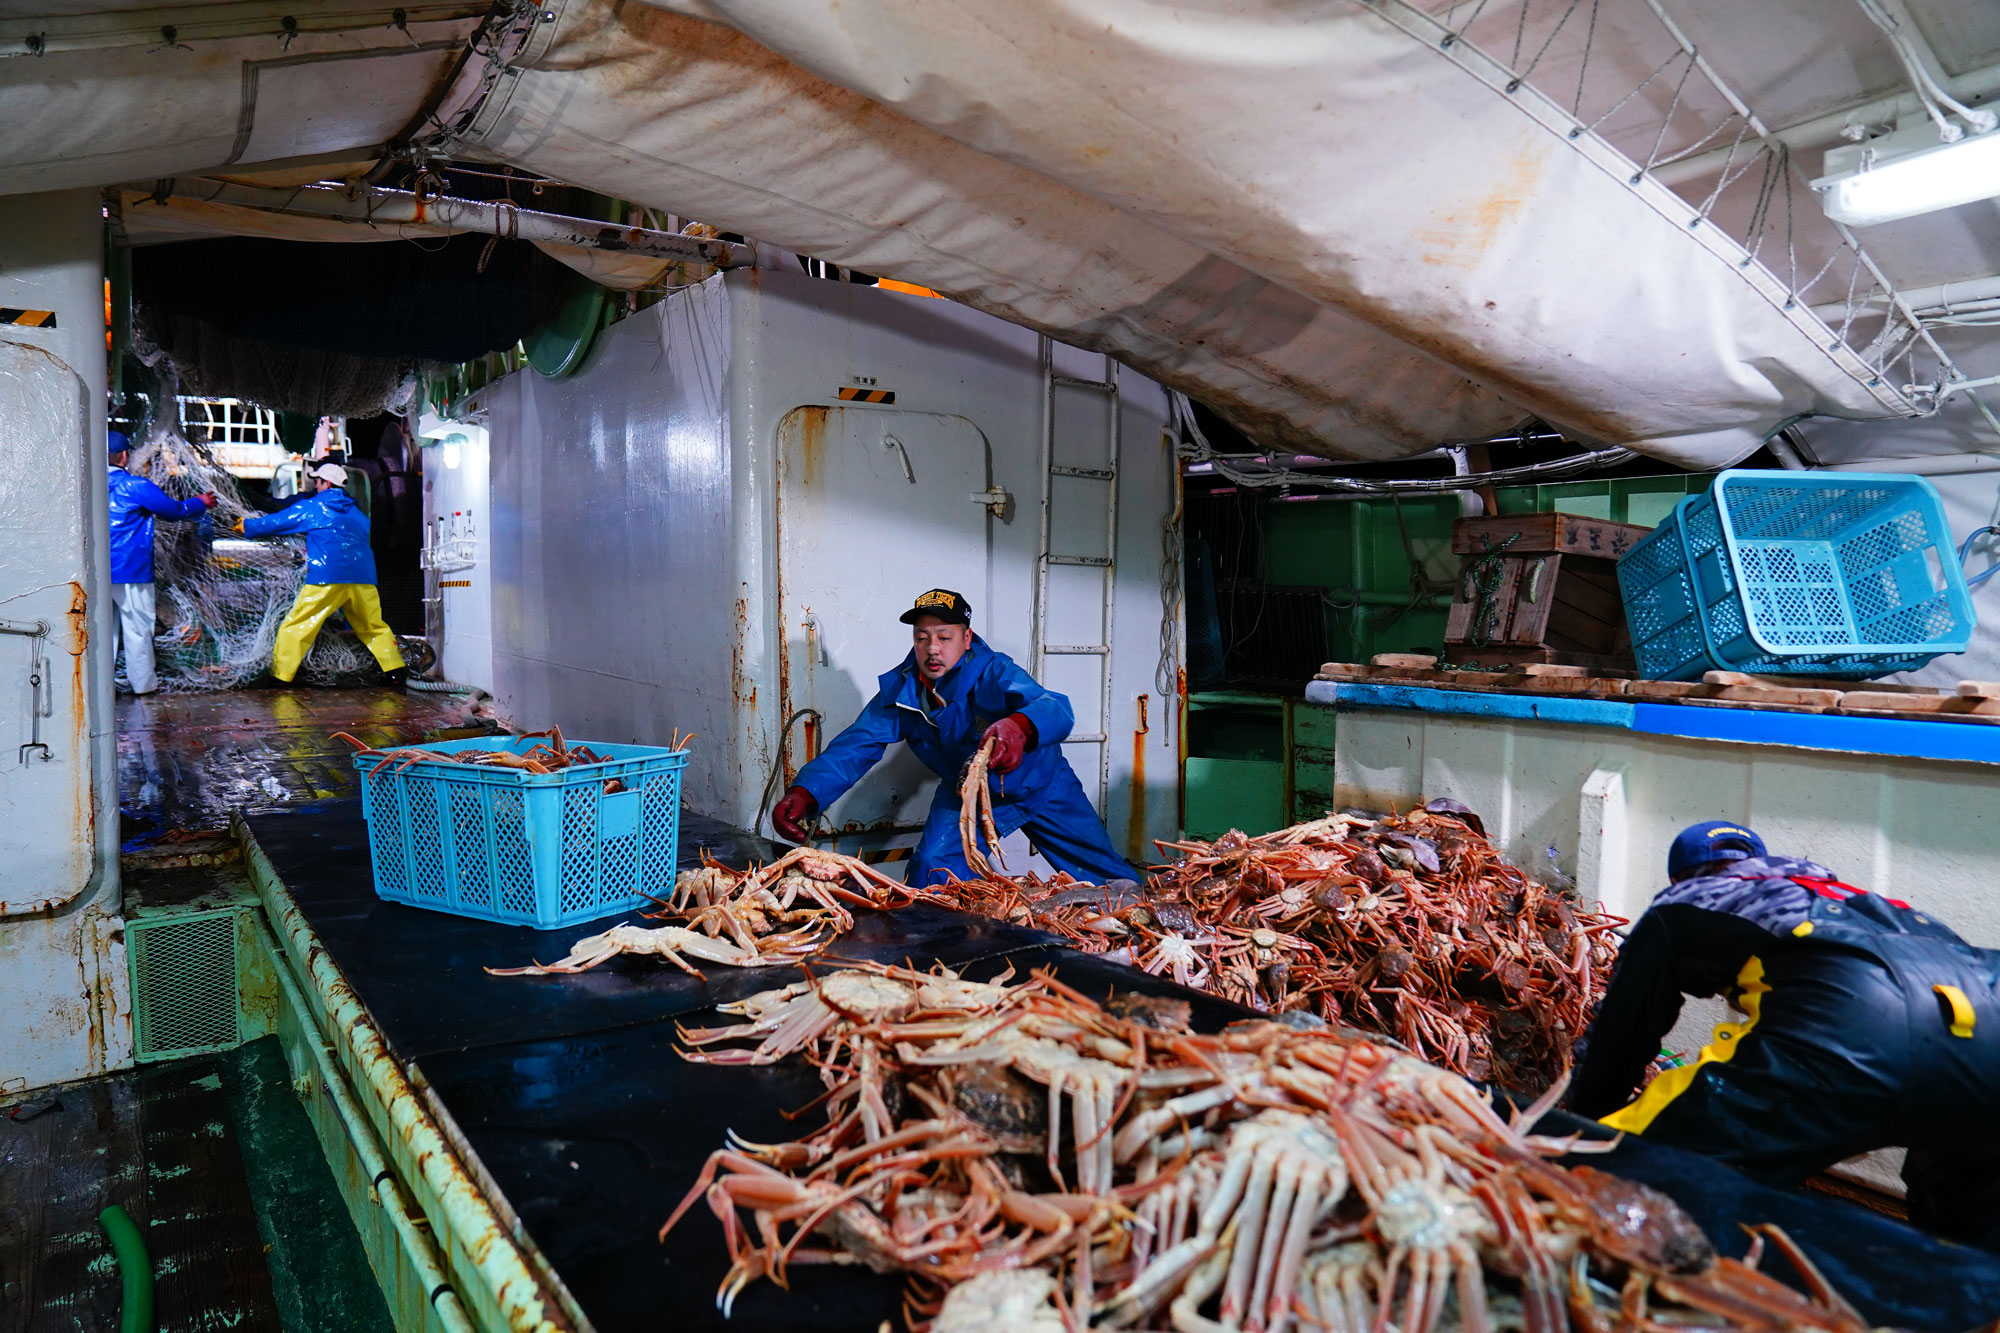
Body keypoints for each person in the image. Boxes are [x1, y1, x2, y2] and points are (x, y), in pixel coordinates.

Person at [1569, 819, 2000, 1248]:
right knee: (1969, 1235)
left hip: (1853, 1017)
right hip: (1989, 1017)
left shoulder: (1687, 900)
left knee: (1626, 1164)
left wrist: (1580, 1120)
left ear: (1679, 876)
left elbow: (1623, 1029)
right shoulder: (1855, 897)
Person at [770, 588, 1139, 888]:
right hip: (968, 793)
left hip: (1041, 783)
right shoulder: (904, 690)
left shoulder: (993, 672)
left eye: (944, 637)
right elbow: (858, 743)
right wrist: (807, 792)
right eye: (922, 638)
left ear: (967, 638)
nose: (932, 648)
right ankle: (944, 967)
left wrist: (1019, 728)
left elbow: (1054, 707)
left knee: (1110, 880)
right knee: (932, 873)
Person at [241, 462, 408, 687]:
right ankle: (396, 671)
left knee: (297, 625)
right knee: (373, 626)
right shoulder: (358, 514)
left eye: (317, 481)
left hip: (327, 578)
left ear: (326, 483)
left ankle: (281, 677)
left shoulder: (314, 506)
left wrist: (247, 526)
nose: (315, 486)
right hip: (363, 578)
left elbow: (278, 521)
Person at [106, 429, 216, 694]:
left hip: (96, 570)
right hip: (131, 569)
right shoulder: (134, 486)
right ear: (124, 456)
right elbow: (172, 510)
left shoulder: (86, 486)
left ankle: (100, 684)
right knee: (138, 628)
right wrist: (200, 502)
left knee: (103, 631)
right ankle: (142, 685)